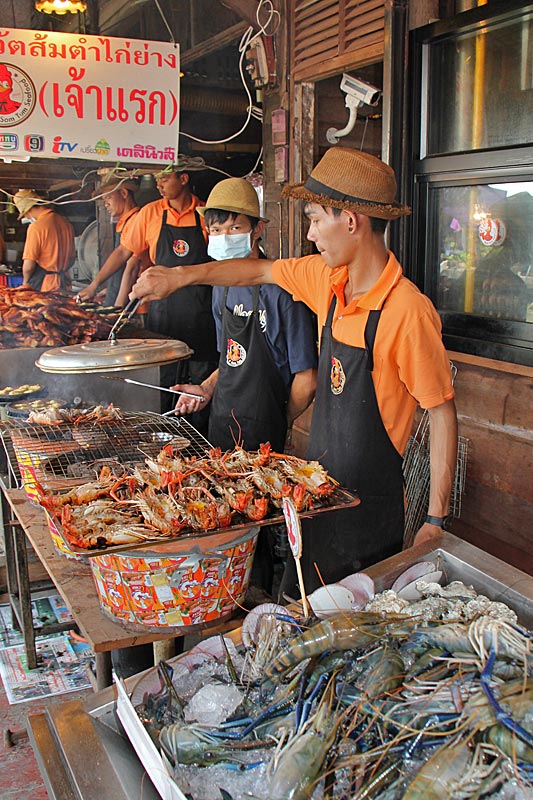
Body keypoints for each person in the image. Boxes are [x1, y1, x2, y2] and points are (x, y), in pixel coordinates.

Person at [130, 147, 458, 596]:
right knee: (296, 607)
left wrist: (435, 519)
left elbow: (441, 415)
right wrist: (181, 277)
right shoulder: (327, 279)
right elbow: (257, 271)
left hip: (368, 514)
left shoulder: (406, 311)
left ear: (351, 220)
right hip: (317, 496)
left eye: (315, 219)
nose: (310, 233)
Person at [173, 176, 318, 453]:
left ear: (257, 228)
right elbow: (229, 359)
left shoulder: (282, 292)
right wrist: (206, 388)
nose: (224, 237)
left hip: (264, 434)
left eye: (235, 227)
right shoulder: (221, 287)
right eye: (216, 230)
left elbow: (307, 378)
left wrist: (281, 420)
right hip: (220, 420)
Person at [119, 165, 218, 429]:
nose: (159, 184)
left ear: (183, 179)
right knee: (165, 383)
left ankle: (200, 444)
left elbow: (221, 264)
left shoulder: (204, 214)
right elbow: (125, 254)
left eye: (165, 177)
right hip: (164, 315)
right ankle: (162, 439)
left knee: (199, 384)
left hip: (201, 314)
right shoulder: (150, 213)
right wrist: (100, 289)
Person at [78, 174, 142, 306]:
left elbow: (132, 268)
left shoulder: (137, 220)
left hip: (131, 301)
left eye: (108, 198)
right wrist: (111, 287)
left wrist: (118, 308)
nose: (105, 204)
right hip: (119, 293)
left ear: (123, 193)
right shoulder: (125, 222)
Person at [13, 189, 75, 292]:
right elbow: (72, 259)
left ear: (28, 211)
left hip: (45, 286)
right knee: (66, 307)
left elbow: (29, 266)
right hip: (65, 283)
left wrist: (26, 283)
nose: (27, 217)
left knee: (46, 308)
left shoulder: (36, 227)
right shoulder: (66, 223)